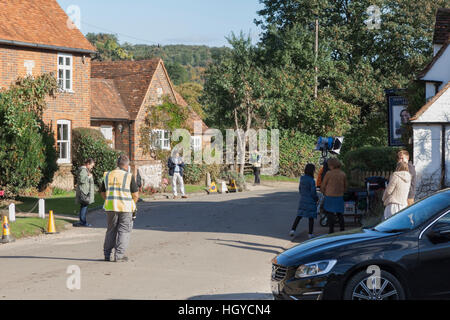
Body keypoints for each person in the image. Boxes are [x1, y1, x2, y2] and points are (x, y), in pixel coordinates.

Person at [101, 155, 139, 262]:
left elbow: (102, 192)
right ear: (127, 166)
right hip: (125, 208)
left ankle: (107, 255)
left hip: (111, 207)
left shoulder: (107, 175)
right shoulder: (128, 176)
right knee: (124, 231)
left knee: (111, 230)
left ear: (117, 164)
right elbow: (135, 195)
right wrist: (132, 204)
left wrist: (108, 200)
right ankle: (119, 255)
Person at [290, 164, 318, 239]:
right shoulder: (312, 180)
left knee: (299, 215)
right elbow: (313, 192)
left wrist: (303, 195)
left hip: (303, 199)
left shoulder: (302, 178)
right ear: (312, 170)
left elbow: (300, 189)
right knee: (311, 217)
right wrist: (316, 198)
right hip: (310, 200)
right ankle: (310, 233)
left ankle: (293, 230)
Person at [320, 158, 347, 234]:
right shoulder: (343, 174)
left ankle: (331, 231)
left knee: (330, 214)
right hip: (339, 196)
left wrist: (323, 191)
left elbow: (323, 184)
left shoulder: (329, 173)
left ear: (332, 165)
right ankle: (342, 230)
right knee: (340, 214)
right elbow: (345, 186)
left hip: (330, 196)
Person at [74, 158, 95, 227]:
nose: (92, 167)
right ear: (88, 164)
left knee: (83, 206)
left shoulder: (85, 170)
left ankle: (82, 221)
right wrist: (89, 177)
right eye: (91, 165)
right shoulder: (83, 170)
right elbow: (82, 180)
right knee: (84, 206)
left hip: (85, 191)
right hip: (84, 192)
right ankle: (83, 222)